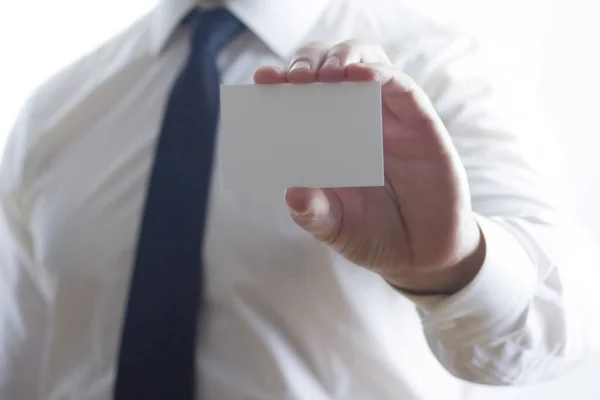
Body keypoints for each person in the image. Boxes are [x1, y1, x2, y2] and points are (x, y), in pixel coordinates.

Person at [2, 0, 600, 399]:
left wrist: (450, 266)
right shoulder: (56, 113)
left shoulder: (440, 62)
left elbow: (560, 319)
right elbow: (22, 366)